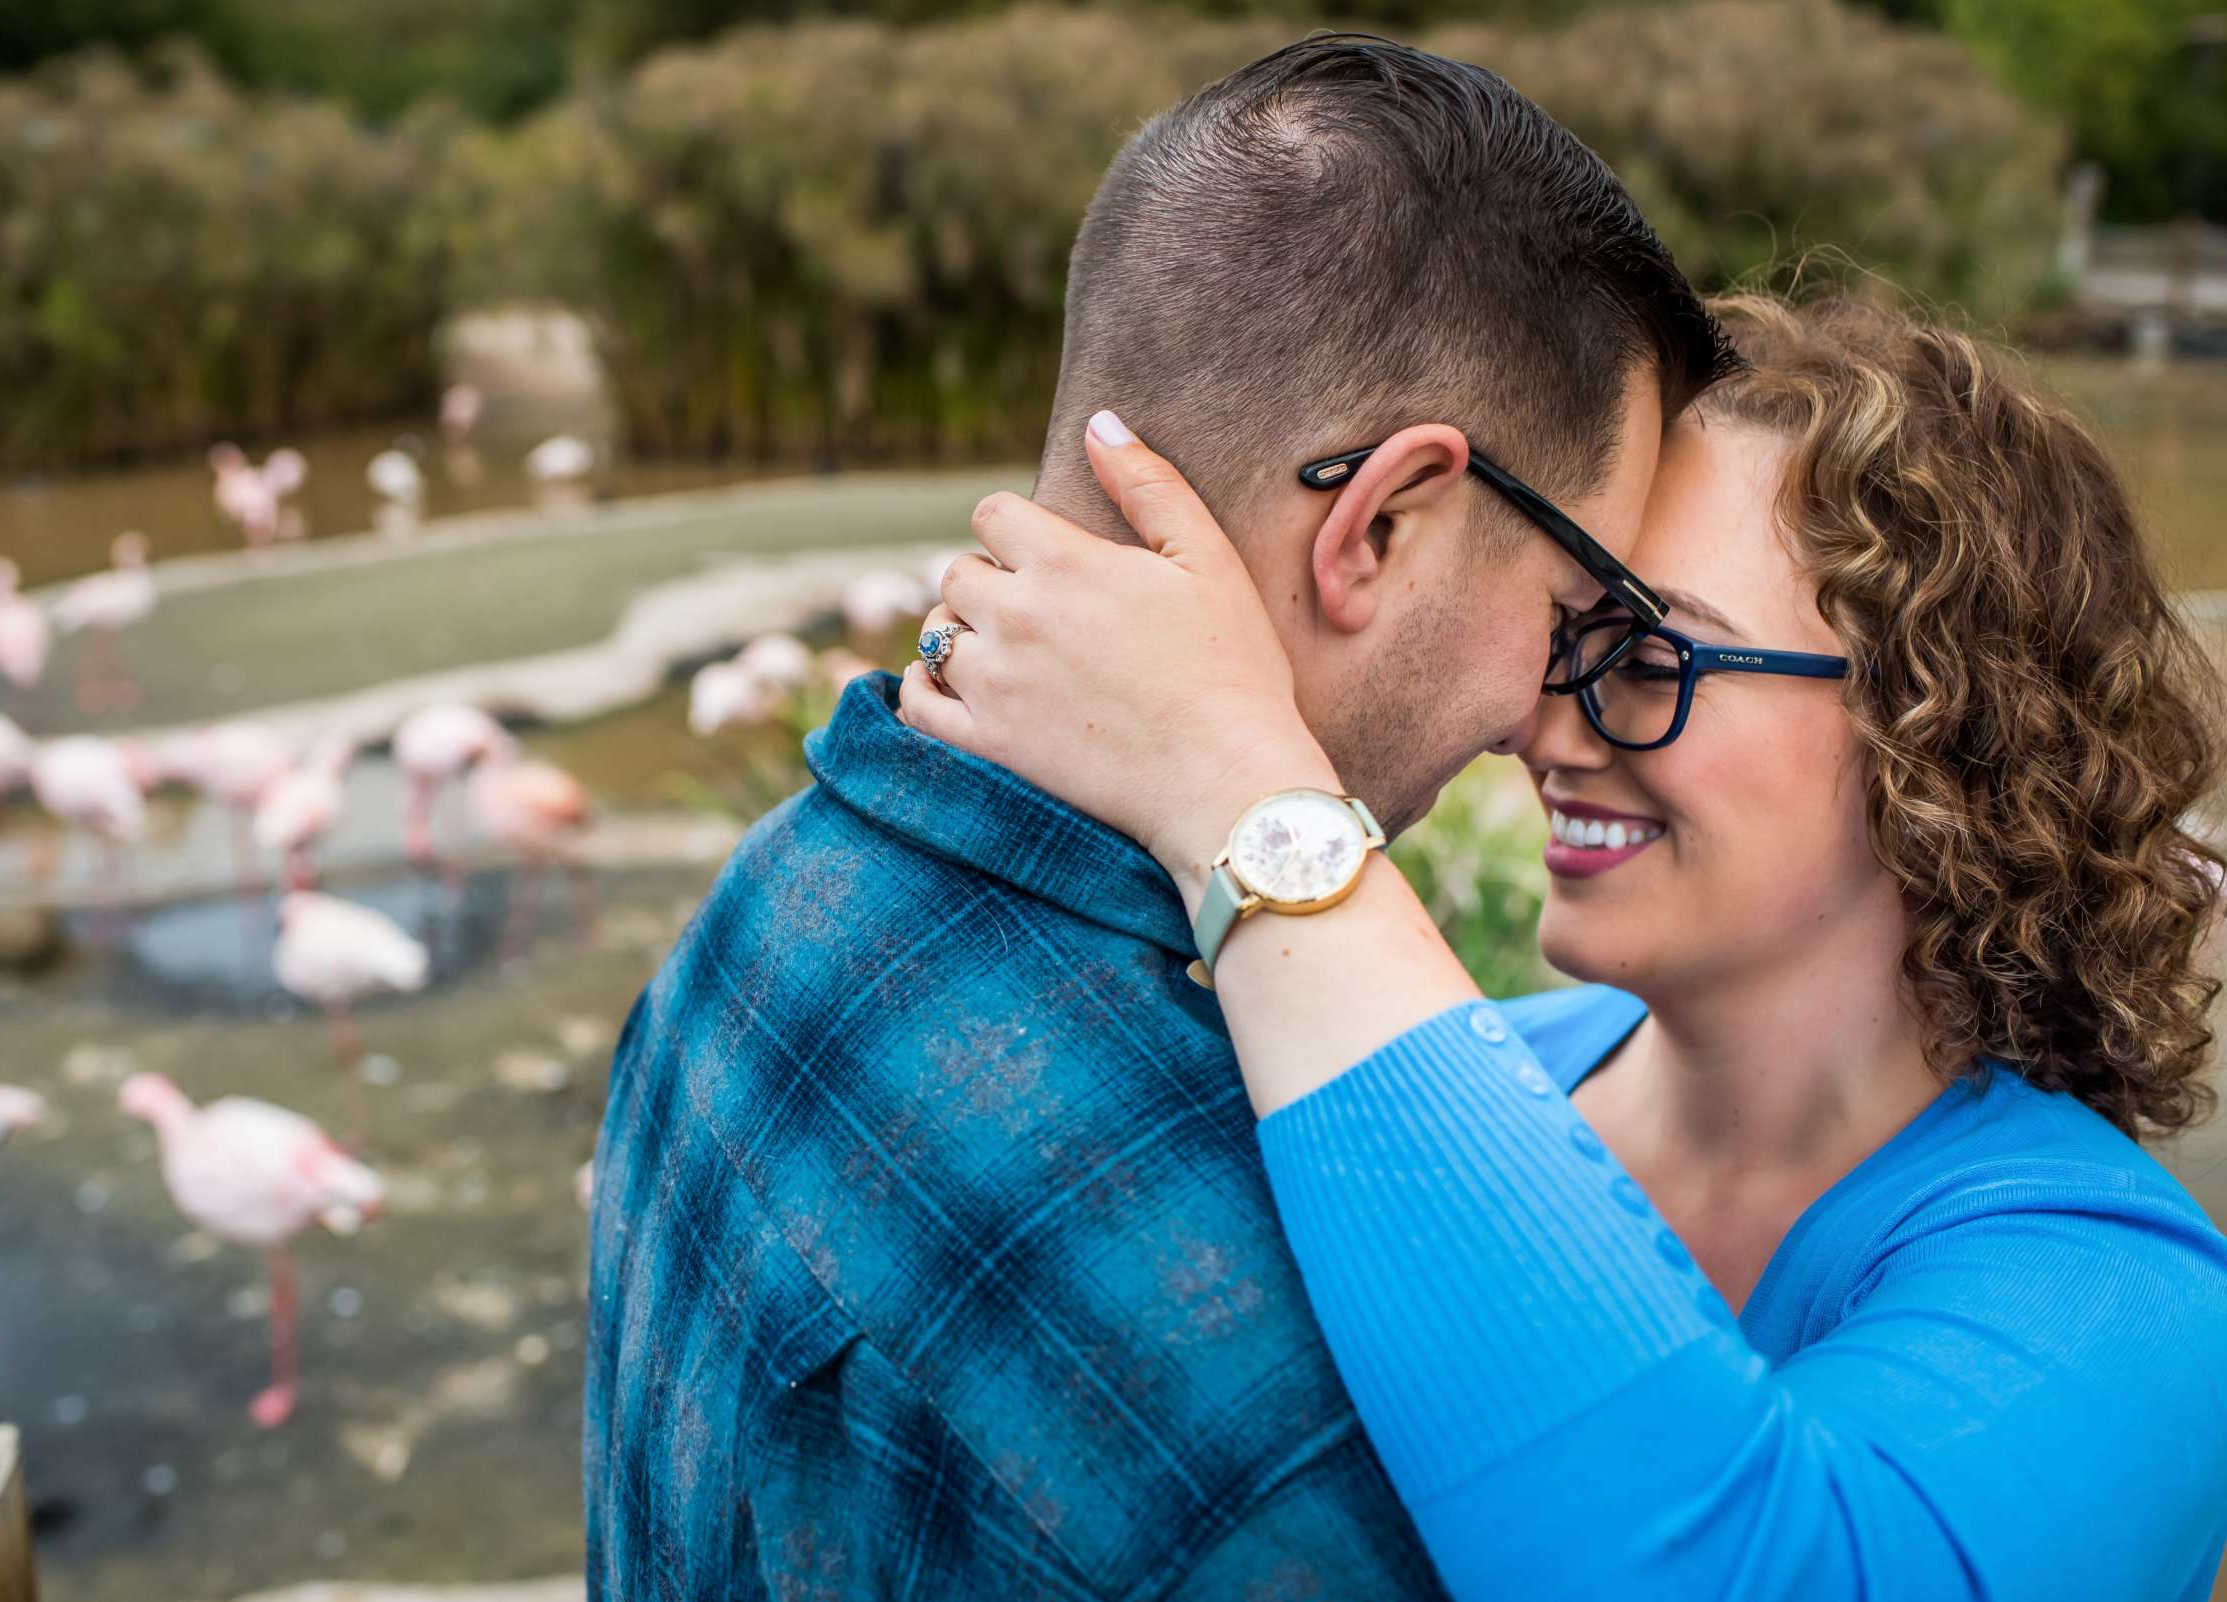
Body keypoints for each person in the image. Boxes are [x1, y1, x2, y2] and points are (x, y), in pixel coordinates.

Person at [586, 33, 1739, 1600]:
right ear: (1383, 523)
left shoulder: (755, 915)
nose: (1557, 711)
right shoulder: (1274, 1417)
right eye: (1577, 608)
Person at [899, 293, 2227, 1601]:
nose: (1548, 729)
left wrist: (1241, 789)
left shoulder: (2130, 1299)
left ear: (1945, 731)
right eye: (1560, 633)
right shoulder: (1443, 1084)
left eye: (1650, 654)